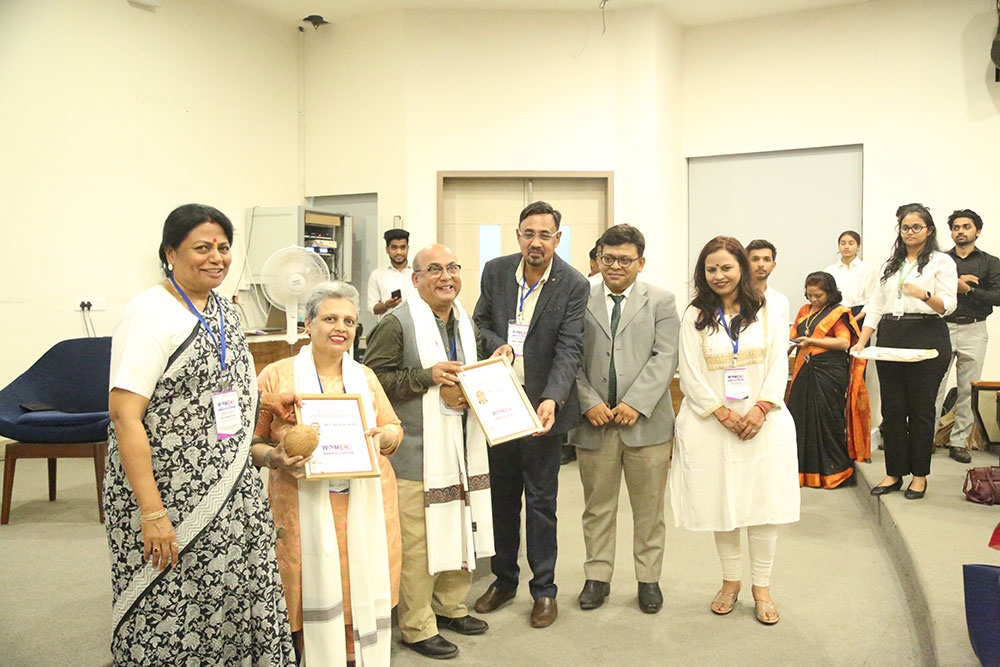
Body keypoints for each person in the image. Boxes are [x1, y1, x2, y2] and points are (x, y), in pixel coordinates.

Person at [104, 204, 294, 665]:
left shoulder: (224, 309)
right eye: (202, 247)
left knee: (232, 589)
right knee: (174, 599)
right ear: (170, 253)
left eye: (223, 247)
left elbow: (215, 391)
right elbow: (125, 416)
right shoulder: (150, 313)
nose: (216, 258)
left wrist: (264, 403)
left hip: (231, 484)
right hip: (167, 489)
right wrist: (153, 513)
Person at [256, 281, 402, 666]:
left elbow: (393, 428)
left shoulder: (365, 377)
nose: (341, 328)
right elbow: (248, 443)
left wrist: (385, 437)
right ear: (308, 324)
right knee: (303, 589)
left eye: (349, 321)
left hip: (363, 506)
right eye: (330, 319)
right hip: (299, 506)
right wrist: (275, 458)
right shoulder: (276, 376)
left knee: (357, 590)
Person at [365, 243, 496, 660]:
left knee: (460, 527)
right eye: (434, 269)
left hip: (463, 448)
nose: (446, 277)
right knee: (419, 544)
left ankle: (449, 605)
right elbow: (373, 381)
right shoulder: (396, 323)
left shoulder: (464, 321)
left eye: (452, 268)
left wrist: (494, 364)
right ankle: (417, 625)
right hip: (416, 454)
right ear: (416, 278)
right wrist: (426, 376)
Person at [670, 236, 799, 626]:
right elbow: (689, 373)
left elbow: (778, 363)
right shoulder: (695, 314)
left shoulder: (768, 308)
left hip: (765, 423)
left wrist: (760, 409)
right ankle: (730, 582)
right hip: (712, 425)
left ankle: (762, 587)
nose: (719, 275)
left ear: (741, 268)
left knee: (762, 506)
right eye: (711, 269)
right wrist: (723, 414)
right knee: (721, 504)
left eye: (726, 267)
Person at [472, 200, 590, 628]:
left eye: (544, 235)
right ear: (518, 235)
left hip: (542, 410)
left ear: (557, 239)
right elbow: (478, 323)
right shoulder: (496, 271)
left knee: (541, 502)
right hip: (500, 404)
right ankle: (504, 580)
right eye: (528, 233)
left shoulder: (573, 284)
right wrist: (494, 345)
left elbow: (570, 347)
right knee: (502, 498)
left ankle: (544, 590)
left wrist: (554, 398)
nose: (535, 242)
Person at [571, 224, 679, 614]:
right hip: (594, 422)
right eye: (608, 258)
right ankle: (597, 577)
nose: (615, 266)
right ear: (598, 259)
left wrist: (635, 402)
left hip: (646, 424)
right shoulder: (579, 297)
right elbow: (568, 355)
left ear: (640, 262)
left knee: (649, 509)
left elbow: (666, 356)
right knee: (597, 507)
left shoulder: (661, 301)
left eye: (624, 260)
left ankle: (648, 579)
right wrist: (587, 401)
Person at [851, 204, 957, 500]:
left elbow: (949, 306)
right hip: (891, 333)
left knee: (921, 409)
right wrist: (862, 341)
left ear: (929, 230)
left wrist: (923, 294)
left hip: (926, 332)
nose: (909, 232)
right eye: (905, 227)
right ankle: (894, 473)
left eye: (916, 227)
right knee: (893, 409)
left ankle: (919, 476)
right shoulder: (891, 264)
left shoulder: (941, 262)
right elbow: (875, 306)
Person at [787, 271, 870, 489]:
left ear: (830, 293)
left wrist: (812, 341)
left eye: (819, 296)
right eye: (810, 295)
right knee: (799, 419)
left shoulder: (838, 312)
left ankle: (834, 473)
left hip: (828, 373)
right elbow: (793, 339)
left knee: (827, 421)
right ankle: (802, 473)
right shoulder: (804, 311)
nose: (813, 300)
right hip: (804, 371)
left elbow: (844, 343)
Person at [934, 209, 1000, 464]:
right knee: (934, 386)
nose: (960, 231)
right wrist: (956, 282)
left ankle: (959, 442)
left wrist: (968, 291)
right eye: (956, 227)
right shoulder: (939, 261)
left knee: (967, 389)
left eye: (966, 226)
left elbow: (997, 297)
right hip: (942, 327)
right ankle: (926, 439)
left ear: (977, 231)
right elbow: (928, 290)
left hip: (975, 328)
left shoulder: (990, 262)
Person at [824, 230, 877, 322]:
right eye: (843, 243)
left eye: (851, 243)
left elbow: (871, 299)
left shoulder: (867, 269)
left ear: (858, 246)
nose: (846, 247)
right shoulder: (830, 270)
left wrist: (857, 318)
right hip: (836, 315)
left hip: (861, 314)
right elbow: (826, 297)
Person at [367, 228, 413, 321]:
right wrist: (386, 305)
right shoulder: (377, 275)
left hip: (415, 326)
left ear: (408, 248)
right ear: (387, 249)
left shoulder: (418, 274)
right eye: (394, 248)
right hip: (388, 327)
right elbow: (372, 308)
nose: (399, 252)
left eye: (402, 247)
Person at [746, 238, 790, 333]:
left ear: (773, 265)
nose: (761, 264)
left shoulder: (781, 301)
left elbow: (784, 337)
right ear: (745, 264)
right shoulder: (734, 298)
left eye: (766, 260)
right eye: (755, 259)